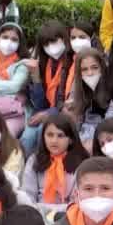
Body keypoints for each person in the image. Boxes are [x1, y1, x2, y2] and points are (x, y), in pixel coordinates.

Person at [23, 22, 80, 154]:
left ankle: (44, 163)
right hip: (46, 111)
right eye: (46, 44)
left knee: (42, 132)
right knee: (27, 137)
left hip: (65, 113)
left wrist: (49, 113)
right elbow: (40, 105)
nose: (51, 47)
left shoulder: (73, 62)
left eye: (54, 42)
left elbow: (70, 102)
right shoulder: (45, 62)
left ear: (64, 39)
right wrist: (36, 77)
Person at [22, 111, 88, 215]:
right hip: (36, 215)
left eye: (60, 136)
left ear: (71, 140)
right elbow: (27, 197)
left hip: (68, 216)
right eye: (50, 135)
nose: (54, 141)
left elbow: (76, 204)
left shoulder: (82, 164)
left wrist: (42, 207)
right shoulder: (34, 160)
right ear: (43, 137)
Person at [65, 48, 113, 144]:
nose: (90, 73)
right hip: (86, 129)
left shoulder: (111, 83)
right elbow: (77, 120)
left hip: (106, 130)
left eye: (94, 67)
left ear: (102, 67)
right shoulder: (78, 84)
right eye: (84, 69)